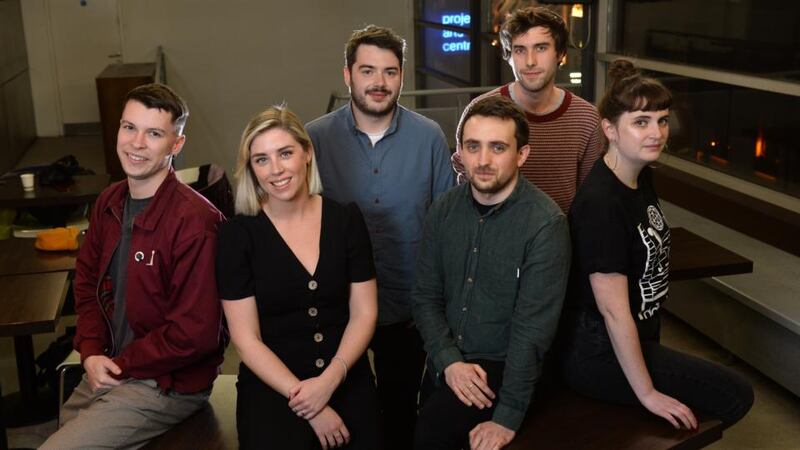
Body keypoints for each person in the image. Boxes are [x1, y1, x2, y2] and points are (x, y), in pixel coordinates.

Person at [560, 60, 753, 431]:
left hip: (640, 336)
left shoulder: (639, 175)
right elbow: (614, 312)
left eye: (662, 120)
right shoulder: (601, 203)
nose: (657, 133)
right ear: (610, 129)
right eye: (641, 122)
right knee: (736, 393)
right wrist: (647, 393)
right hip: (598, 354)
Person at [41, 83, 226, 450]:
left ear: (176, 145)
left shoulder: (197, 223)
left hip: (168, 383)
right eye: (129, 127)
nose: (136, 143)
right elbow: (87, 282)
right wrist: (91, 351)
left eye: (153, 133)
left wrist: (120, 364)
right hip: (111, 365)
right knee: (65, 427)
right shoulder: (110, 200)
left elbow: (195, 333)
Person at [306, 25, 454, 449]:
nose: (379, 82)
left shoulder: (428, 137)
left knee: (401, 410)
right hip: (335, 305)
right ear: (348, 75)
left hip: (408, 305)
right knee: (346, 414)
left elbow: (445, 222)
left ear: (402, 77)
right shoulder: (314, 139)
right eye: (368, 70)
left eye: (390, 72)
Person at [217, 105, 382, 449]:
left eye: (285, 153)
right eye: (261, 159)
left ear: (307, 153)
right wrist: (310, 405)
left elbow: (364, 313)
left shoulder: (346, 220)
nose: (275, 169)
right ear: (251, 169)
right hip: (274, 387)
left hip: (345, 375)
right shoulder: (237, 236)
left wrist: (330, 380)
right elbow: (246, 340)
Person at [412, 96, 570, 450]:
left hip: (506, 363)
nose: (482, 161)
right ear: (461, 152)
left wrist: (507, 416)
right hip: (449, 357)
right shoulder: (444, 209)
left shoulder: (545, 224)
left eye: (497, 147)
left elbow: (531, 333)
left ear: (522, 154)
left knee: (433, 433)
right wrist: (448, 361)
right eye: (473, 147)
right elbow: (424, 298)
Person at [453, 6, 602, 212]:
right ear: (509, 56)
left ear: (560, 54)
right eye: (520, 50)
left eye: (541, 48)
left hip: (564, 238)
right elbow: (465, 188)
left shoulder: (586, 119)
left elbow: (591, 199)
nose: (530, 61)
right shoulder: (479, 112)